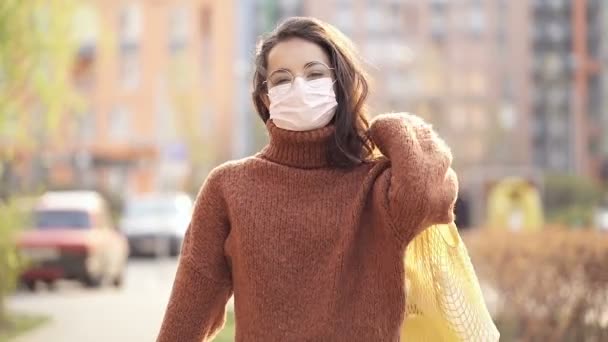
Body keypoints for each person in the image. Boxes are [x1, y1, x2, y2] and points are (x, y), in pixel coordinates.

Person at [157, 17, 457, 341]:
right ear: (266, 97)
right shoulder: (229, 187)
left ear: (339, 85)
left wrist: (391, 127)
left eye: (314, 74)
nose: (299, 87)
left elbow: (428, 195)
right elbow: (189, 308)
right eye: (282, 79)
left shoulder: (377, 185)